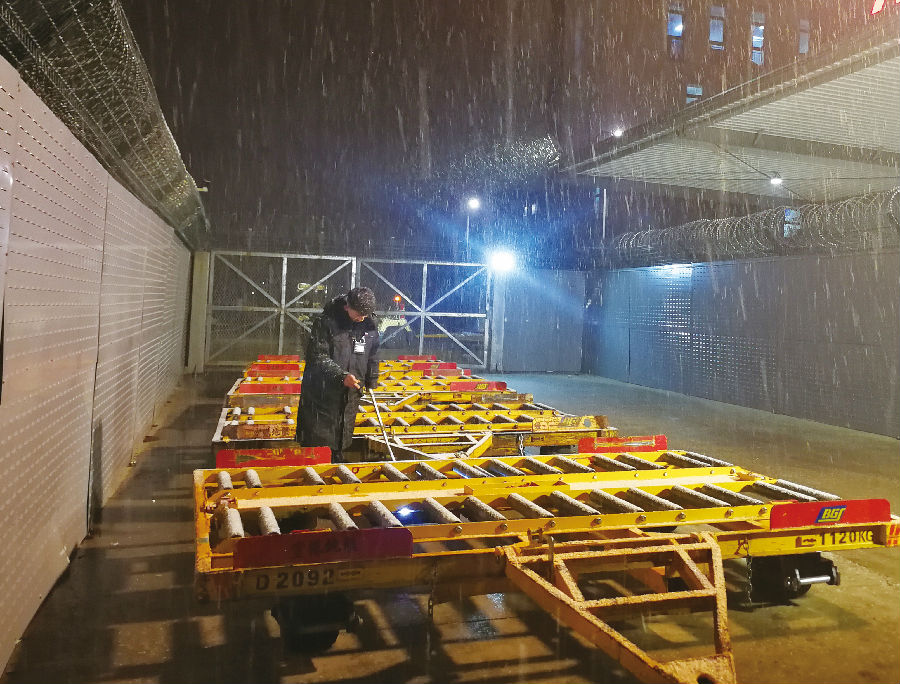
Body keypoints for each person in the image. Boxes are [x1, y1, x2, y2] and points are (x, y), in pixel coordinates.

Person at [297, 287, 380, 463]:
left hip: (350, 392)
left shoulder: (368, 325)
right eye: (359, 314)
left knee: (343, 432)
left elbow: (373, 354)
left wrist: (371, 379)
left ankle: (337, 458)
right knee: (319, 438)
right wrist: (341, 376)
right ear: (347, 306)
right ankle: (319, 465)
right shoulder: (326, 323)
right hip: (323, 392)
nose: (362, 318)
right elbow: (318, 357)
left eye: (365, 314)